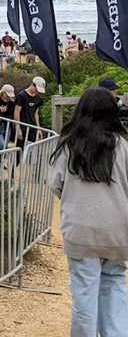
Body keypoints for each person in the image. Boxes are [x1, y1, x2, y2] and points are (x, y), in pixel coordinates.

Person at [48, 88, 128, 336]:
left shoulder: (68, 146)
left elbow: (55, 183)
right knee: (114, 284)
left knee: (84, 290)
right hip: (117, 230)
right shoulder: (123, 146)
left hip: (80, 229)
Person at [14, 76, 46, 149]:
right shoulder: (21, 96)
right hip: (22, 126)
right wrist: (18, 127)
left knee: (32, 148)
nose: (37, 91)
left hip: (32, 126)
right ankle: (19, 160)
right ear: (32, 85)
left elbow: (36, 113)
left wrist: (38, 128)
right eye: (37, 89)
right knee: (20, 148)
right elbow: (17, 112)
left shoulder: (39, 99)